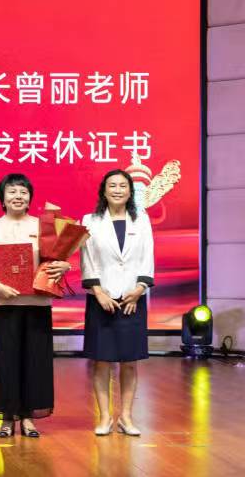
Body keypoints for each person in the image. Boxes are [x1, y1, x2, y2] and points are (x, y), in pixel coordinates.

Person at [0, 173, 70, 439]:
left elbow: (57, 258)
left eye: (23, 192)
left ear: (30, 198)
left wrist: (64, 266)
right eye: (12, 191)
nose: (18, 196)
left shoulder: (43, 226)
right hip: (4, 303)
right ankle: (7, 417)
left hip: (37, 303)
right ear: (2, 198)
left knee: (35, 361)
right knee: (6, 361)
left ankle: (28, 417)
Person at [80, 169, 154, 437]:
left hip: (133, 298)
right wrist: (98, 292)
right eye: (112, 185)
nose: (118, 190)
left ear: (130, 191)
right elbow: (87, 259)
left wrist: (139, 289)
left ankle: (126, 417)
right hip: (101, 299)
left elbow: (148, 256)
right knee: (102, 361)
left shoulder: (141, 219)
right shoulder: (90, 221)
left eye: (123, 185)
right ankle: (104, 417)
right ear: (104, 190)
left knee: (130, 362)